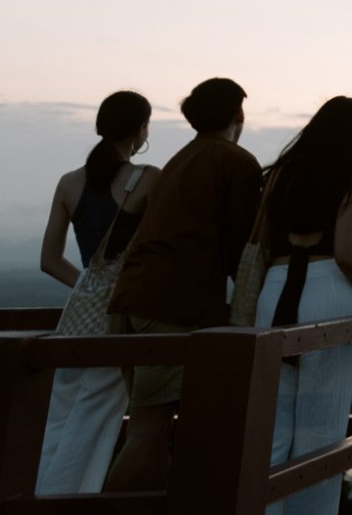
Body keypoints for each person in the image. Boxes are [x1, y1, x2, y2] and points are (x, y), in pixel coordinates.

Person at [254, 96, 352, 515]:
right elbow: (345, 253)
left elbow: (263, 246)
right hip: (325, 293)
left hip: (274, 290)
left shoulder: (278, 176)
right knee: (321, 427)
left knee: (271, 424)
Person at [103, 78, 262, 492]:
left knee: (150, 428)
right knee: (151, 431)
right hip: (171, 308)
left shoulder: (182, 158)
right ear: (238, 115)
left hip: (131, 301)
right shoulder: (235, 161)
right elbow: (242, 251)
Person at [34, 90, 154, 494]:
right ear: (141, 129)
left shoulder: (68, 183)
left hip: (76, 318)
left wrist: (90, 287)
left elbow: (50, 260)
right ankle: (67, 501)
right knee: (96, 415)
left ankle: (39, 495)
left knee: (60, 414)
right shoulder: (147, 179)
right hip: (120, 316)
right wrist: (112, 292)